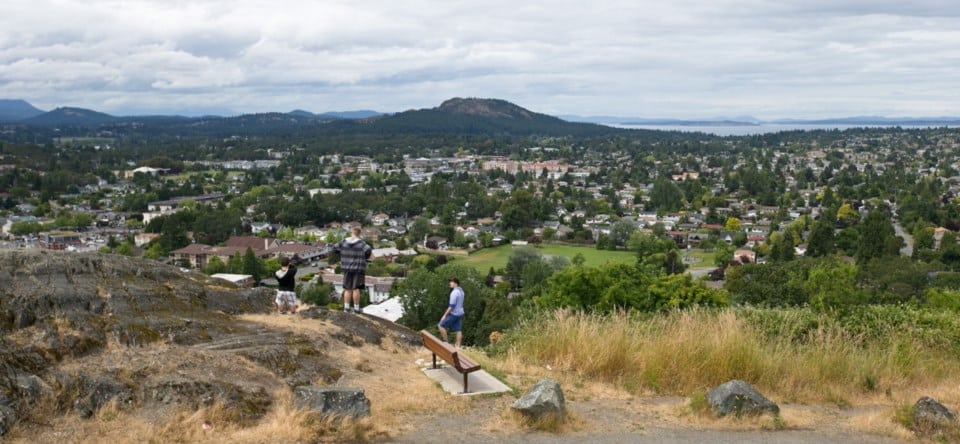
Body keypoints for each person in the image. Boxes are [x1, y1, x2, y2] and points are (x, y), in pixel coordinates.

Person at [334, 226, 372, 313]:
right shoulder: (362, 244)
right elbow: (368, 251)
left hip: (346, 268)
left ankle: (346, 308)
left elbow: (334, 248)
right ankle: (356, 308)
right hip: (358, 269)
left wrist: (342, 254)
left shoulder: (343, 242)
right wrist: (363, 257)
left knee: (347, 289)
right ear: (359, 234)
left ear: (352, 232)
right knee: (356, 289)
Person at [438, 277, 465, 348]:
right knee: (458, 330)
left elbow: (451, 306)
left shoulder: (454, 292)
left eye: (451, 282)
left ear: (455, 283)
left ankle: (446, 344)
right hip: (460, 313)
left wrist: (444, 315)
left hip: (454, 313)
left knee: (441, 326)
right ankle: (458, 347)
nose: (450, 283)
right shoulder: (461, 291)